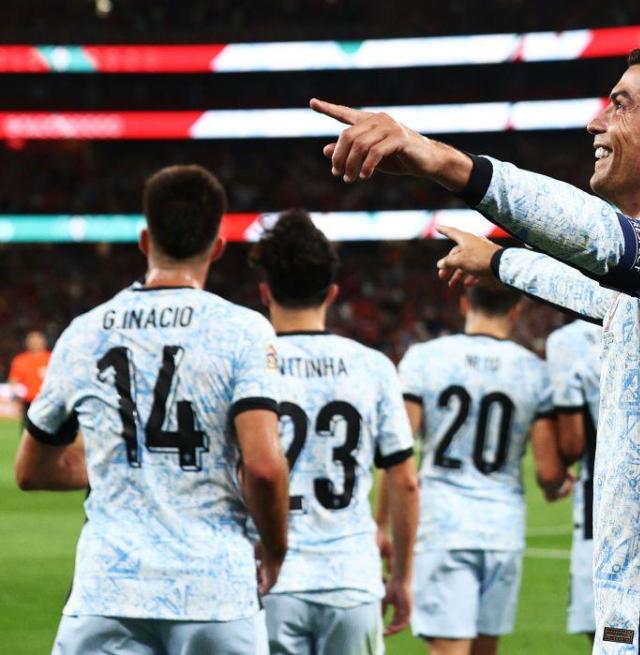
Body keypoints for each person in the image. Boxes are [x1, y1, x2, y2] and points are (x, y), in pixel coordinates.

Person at [309, 42, 640, 654]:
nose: (595, 122)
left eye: (619, 105)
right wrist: (504, 264)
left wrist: (443, 163)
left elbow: (597, 239)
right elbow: (594, 289)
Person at [15, 165, 289, 655]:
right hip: (215, 590)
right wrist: (275, 550)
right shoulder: (244, 330)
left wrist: (115, 462)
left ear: (145, 240)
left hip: (108, 589)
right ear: (219, 246)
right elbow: (265, 468)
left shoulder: (84, 332)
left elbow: (31, 470)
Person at [248, 208, 420, 655]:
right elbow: (405, 480)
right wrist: (401, 578)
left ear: (265, 293)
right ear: (333, 293)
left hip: (268, 581)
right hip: (351, 579)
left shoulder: (246, 366)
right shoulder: (374, 367)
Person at [396, 279, 569, 655]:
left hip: (444, 525)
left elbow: (399, 451)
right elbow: (547, 473)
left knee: (447, 650)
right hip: (502, 530)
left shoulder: (425, 358)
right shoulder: (534, 371)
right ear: (516, 310)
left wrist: (386, 525)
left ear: (464, 304)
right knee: (484, 650)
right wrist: (563, 482)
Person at [545, 320, 603, 644]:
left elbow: (572, 445)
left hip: (602, 496)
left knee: (603, 619)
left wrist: (554, 471)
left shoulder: (574, 351)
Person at [8, 330, 52, 424]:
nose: (35, 344)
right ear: (27, 343)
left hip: (48, 401)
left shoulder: (52, 358)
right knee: (28, 430)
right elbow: (13, 381)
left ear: (44, 342)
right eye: (32, 342)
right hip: (28, 402)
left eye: (37, 341)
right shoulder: (20, 360)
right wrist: (16, 396)